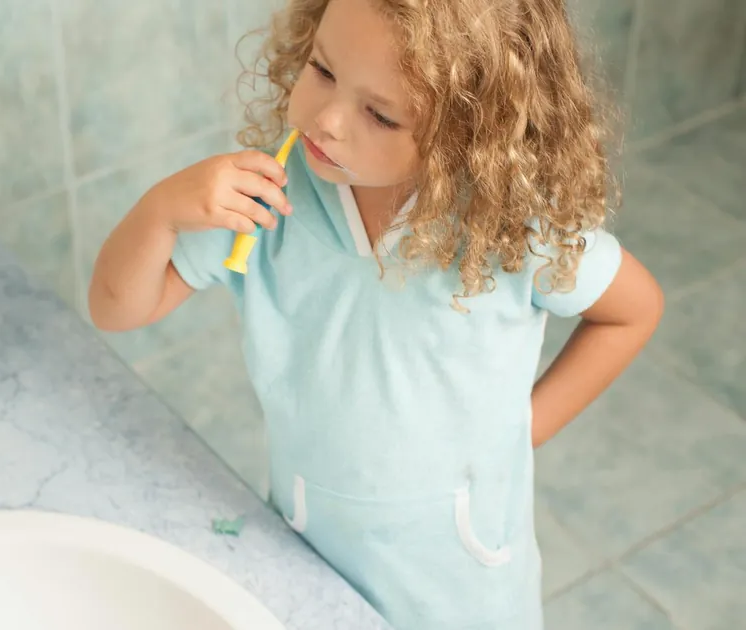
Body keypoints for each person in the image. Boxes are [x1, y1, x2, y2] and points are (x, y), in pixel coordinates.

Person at [87, 0, 664, 627]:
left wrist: (526, 428)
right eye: (323, 70)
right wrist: (159, 211)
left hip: (462, 580)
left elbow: (633, 311)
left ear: (471, 131)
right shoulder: (268, 201)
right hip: (312, 547)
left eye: (381, 115)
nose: (328, 120)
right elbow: (116, 310)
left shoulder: (508, 226)